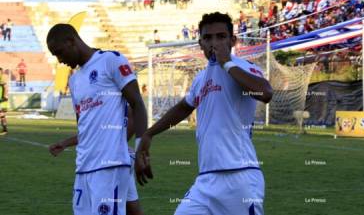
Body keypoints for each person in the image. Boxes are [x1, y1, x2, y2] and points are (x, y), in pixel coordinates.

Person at [135, 12, 273, 215]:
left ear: (232, 40)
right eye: (207, 38)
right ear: (200, 43)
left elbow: (265, 92)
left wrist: (227, 63)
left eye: (221, 36)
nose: (213, 43)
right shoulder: (200, 79)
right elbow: (184, 107)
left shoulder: (244, 67)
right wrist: (149, 133)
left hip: (240, 176)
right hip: (206, 181)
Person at [46, 23, 148, 215]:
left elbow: (137, 105)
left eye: (59, 52)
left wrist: (142, 148)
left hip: (110, 167)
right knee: (132, 208)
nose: (59, 60)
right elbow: (86, 129)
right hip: (83, 168)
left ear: (71, 41)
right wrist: (66, 142)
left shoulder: (111, 60)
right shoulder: (74, 81)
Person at [0, 68, 8, 135]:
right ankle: (5, 130)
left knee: (2, 115)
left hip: (2, 100)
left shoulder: (2, 80)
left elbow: (5, 87)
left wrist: (4, 97)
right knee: (2, 116)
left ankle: (5, 130)